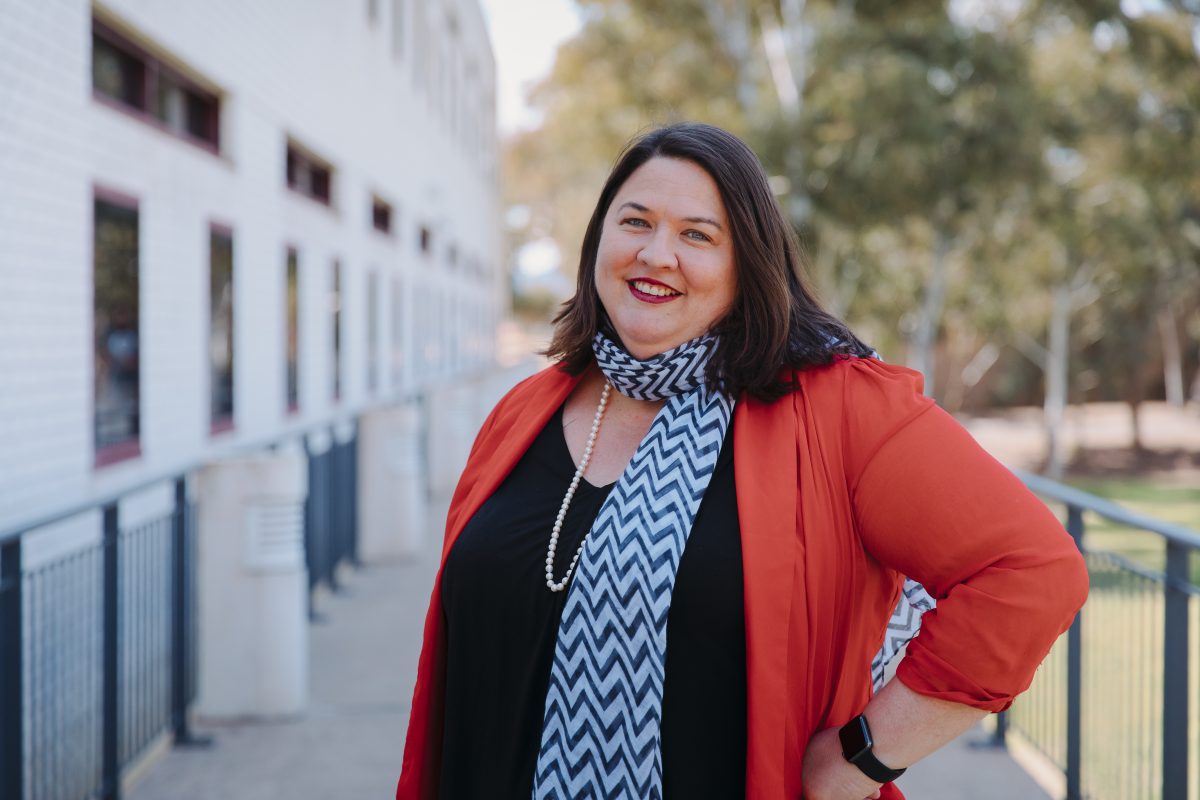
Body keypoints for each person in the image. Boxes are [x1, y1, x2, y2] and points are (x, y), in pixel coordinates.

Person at [395, 122, 1089, 800]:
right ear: (598, 238)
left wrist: (862, 758)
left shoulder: (840, 408)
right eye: (634, 222)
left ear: (747, 265)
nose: (657, 254)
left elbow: (1031, 573)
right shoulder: (526, 409)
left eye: (698, 235)